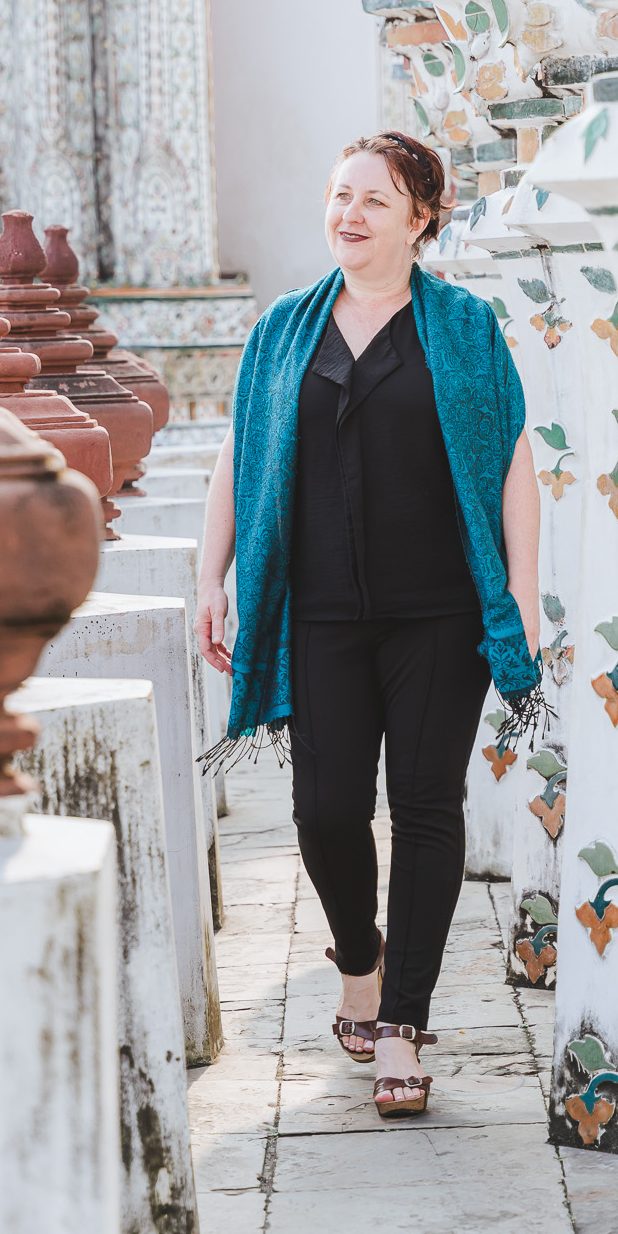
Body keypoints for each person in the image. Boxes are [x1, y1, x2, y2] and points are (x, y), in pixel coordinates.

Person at [194, 132, 543, 1119]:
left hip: (439, 611)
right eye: (340, 195)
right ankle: (359, 952)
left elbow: (510, 461)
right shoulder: (284, 330)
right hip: (322, 613)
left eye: (374, 200)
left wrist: (514, 592)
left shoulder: (466, 327)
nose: (349, 214)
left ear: (420, 217)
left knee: (427, 804)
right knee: (327, 810)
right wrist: (210, 575)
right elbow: (241, 450)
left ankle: (402, 1024)